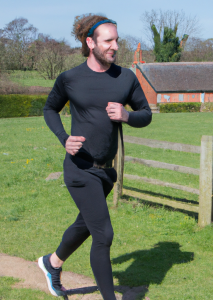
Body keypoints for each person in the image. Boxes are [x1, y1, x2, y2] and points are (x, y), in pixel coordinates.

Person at [38, 14, 152, 300]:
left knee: (86, 225)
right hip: (79, 169)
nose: (115, 46)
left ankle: (51, 263)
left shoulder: (126, 77)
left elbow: (146, 114)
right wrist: (64, 139)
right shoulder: (70, 79)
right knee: (103, 234)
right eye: (108, 41)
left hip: (106, 172)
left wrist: (127, 115)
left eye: (117, 40)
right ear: (90, 43)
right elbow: (49, 109)